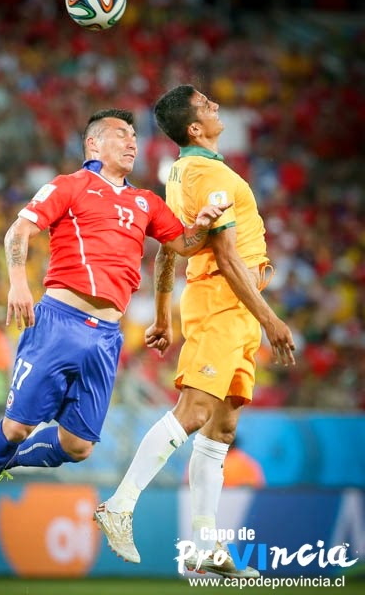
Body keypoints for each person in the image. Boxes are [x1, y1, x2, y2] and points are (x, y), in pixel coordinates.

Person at [0, 108, 230, 560]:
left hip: (106, 337)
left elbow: (183, 244)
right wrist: (18, 283)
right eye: (120, 134)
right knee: (18, 426)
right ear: (93, 144)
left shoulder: (146, 202)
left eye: (134, 136)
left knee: (79, 446)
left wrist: (202, 222)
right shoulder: (71, 186)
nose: (131, 142)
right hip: (58, 324)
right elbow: (19, 230)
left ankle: (1, 459)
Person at [93, 86, 296, 577]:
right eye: (207, 105)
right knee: (195, 411)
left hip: (234, 305)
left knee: (221, 426)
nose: (217, 106)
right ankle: (120, 504)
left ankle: (205, 544)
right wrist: (270, 319)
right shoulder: (207, 174)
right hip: (226, 300)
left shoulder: (185, 173)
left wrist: (164, 315)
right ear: (194, 128)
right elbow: (225, 256)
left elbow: (169, 247)